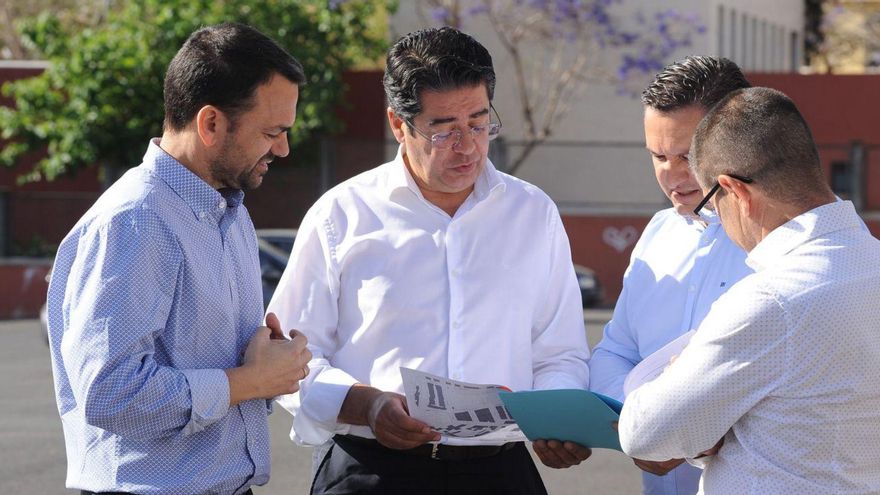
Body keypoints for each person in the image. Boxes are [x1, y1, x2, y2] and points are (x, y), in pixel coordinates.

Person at [266, 26, 591, 494]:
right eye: (445, 131)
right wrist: (367, 406)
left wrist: (555, 415)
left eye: (479, 124)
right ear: (398, 124)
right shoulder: (341, 215)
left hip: (499, 472)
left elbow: (559, 351)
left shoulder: (533, 213)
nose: (469, 146)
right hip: (371, 472)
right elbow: (291, 358)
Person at [46, 22, 312, 495]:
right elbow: (111, 393)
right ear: (210, 123)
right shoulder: (134, 221)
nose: (283, 149)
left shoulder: (230, 215)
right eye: (272, 131)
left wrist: (267, 366)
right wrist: (247, 381)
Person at [618, 87, 880, 494]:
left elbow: (646, 435)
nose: (712, 216)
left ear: (736, 192)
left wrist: (676, 374)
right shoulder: (869, 261)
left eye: (711, 203)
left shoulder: (771, 300)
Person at [588, 56, 752, 495]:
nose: (671, 176)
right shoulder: (658, 234)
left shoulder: (786, 244)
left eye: (686, 156)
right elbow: (614, 352)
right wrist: (644, 425)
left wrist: (689, 430)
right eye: (658, 156)